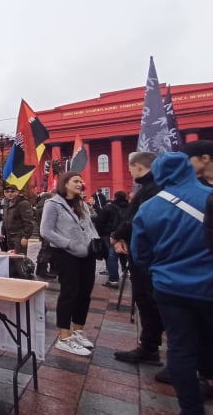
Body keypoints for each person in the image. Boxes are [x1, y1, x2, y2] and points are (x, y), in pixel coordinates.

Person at [131, 152, 213, 414]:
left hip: (170, 288)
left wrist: (160, 270)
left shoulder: (148, 207)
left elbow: (140, 254)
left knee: (180, 349)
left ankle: (191, 408)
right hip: (208, 286)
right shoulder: (208, 197)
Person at [109, 152, 166, 371]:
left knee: (148, 299)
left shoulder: (152, 189)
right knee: (146, 299)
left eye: (130, 167)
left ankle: (150, 347)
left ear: (138, 166)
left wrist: (118, 235)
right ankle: (150, 345)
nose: (129, 172)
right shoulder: (152, 187)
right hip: (144, 250)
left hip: (146, 253)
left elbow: (137, 218)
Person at [39, 172, 99, 356]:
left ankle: (78, 332)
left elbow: (89, 227)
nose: (81, 183)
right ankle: (64, 337)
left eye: (81, 181)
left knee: (85, 293)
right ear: (65, 183)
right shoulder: (53, 204)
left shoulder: (82, 204)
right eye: (76, 181)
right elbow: (46, 231)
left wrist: (96, 242)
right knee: (69, 293)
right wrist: (69, 244)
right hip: (65, 254)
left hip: (87, 254)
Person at [94, 190, 129, 288]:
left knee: (112, 256)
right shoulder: (130, 207)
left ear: (115, 197)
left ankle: (113, 279)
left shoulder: (108, 208)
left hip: (109, 234)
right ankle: (125, 271)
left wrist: (100, 233)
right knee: (123, 252)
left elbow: (99, 222)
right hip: (125, 234)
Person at [0, 184, 35, 255]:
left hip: (19, 236)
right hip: (9, 236)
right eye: (7, 192)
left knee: (19, 258)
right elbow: (5, 220)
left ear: (17, 192)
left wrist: (25, 236)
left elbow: (29, 222)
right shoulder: (7, 203)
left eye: (12, 191)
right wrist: (2, 233)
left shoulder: (23, 203)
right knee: (11, 257)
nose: (10, 193)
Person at [34, 191, 57, 278]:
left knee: (43, 250)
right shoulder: (46, 208)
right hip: (48, 231)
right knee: (47, 251)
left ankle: (39, 270)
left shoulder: (39, 207)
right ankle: (43, 271)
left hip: (42, 231)